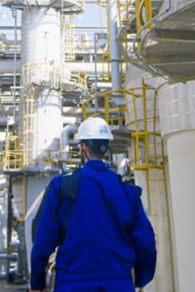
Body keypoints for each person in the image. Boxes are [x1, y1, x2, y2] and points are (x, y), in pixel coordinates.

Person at [29, 117, 157, 292]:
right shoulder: (127, 191)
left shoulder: (62, 187)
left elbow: (42, 239)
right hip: (118, 283)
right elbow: (145, 241)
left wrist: (37, 282)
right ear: (106, 149)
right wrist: (141, 278)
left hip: (74, 283)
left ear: (83, 147)